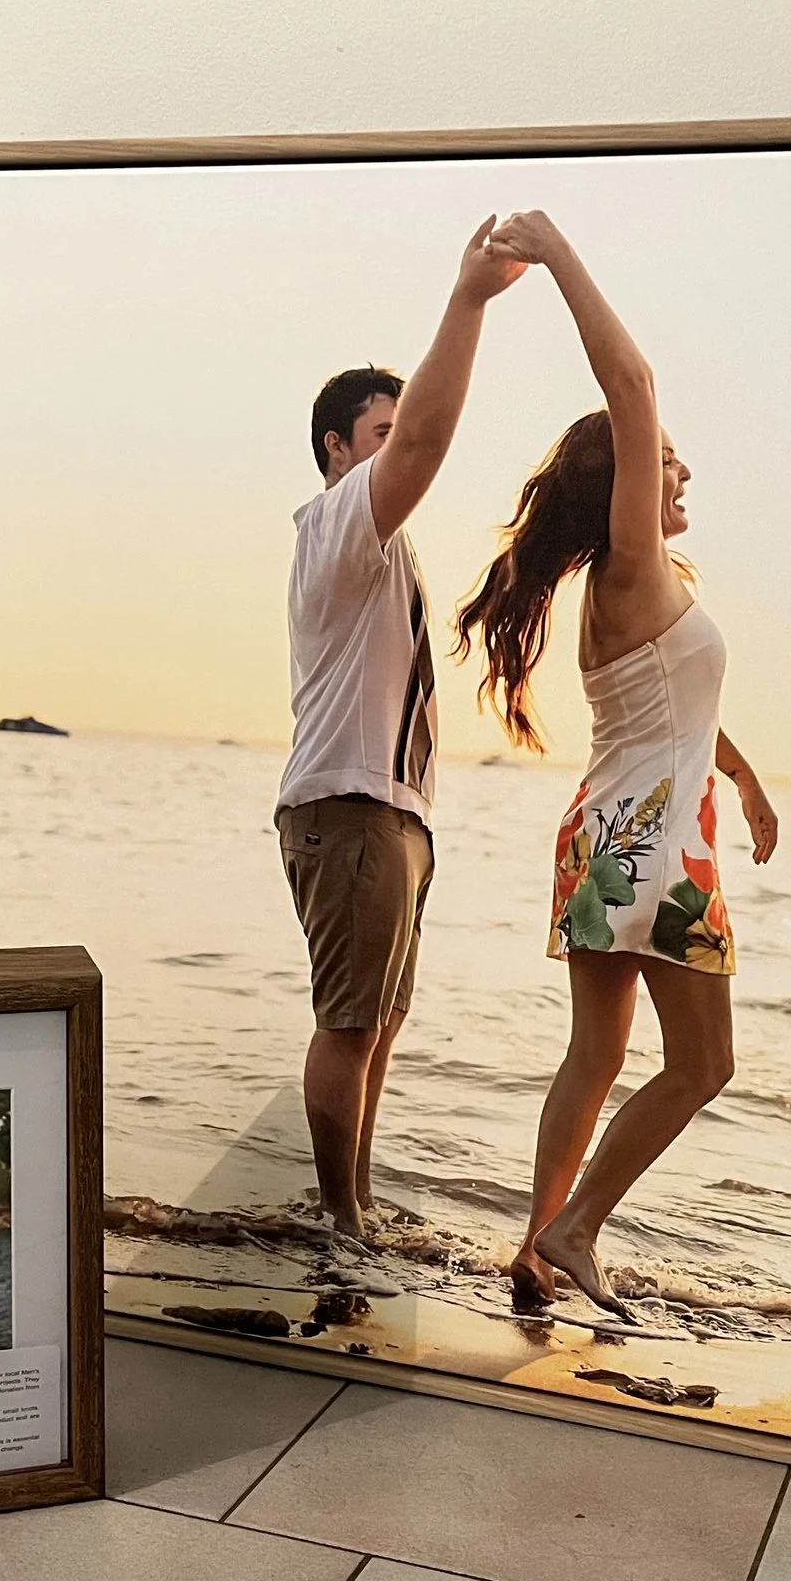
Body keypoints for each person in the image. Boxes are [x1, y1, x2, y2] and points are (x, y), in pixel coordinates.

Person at [453, 210, 781, 1320]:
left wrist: (739, 773)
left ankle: (536, 1250)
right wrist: (554, 254)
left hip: (606, 837)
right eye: (663, 459)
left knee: (595, 1057)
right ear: (628, 481)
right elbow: (631, 383)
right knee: (701, 1066)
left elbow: (675, 705)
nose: (679, 466)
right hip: (648, 848)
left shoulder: (634, 586)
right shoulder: (633, 562)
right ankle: (578, 1227)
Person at [277, 216, 528, 1243]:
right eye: (377, 435)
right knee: (349, 1021)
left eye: (392, 433)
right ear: (339, 449)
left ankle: (355, 1208)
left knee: (381, 1022)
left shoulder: (382, 547)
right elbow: (426, 437)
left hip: (392, 816)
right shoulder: (339, 523)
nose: (397, 449)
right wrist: (468, 298)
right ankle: (341, 1219)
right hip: (351, 809)